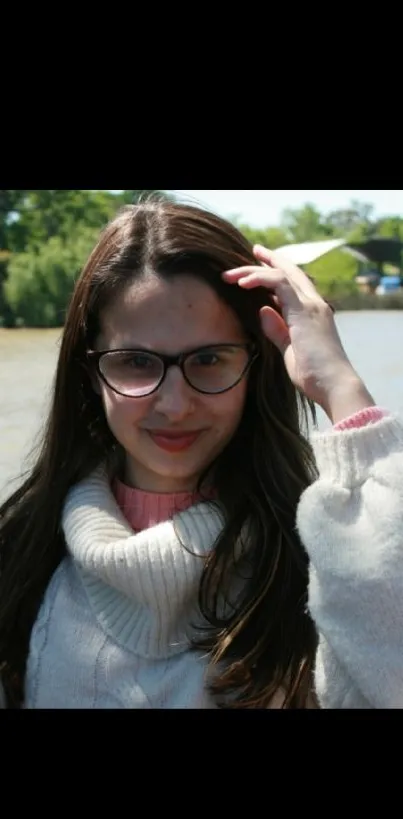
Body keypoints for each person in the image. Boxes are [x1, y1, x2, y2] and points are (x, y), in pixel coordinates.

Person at [1, 197, 402, 710]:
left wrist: (341, 388)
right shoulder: (22, 557)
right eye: (136, 362)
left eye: (209, 359)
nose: (174, 404)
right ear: (89, 375)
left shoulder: (321, 565)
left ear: (256, 368)